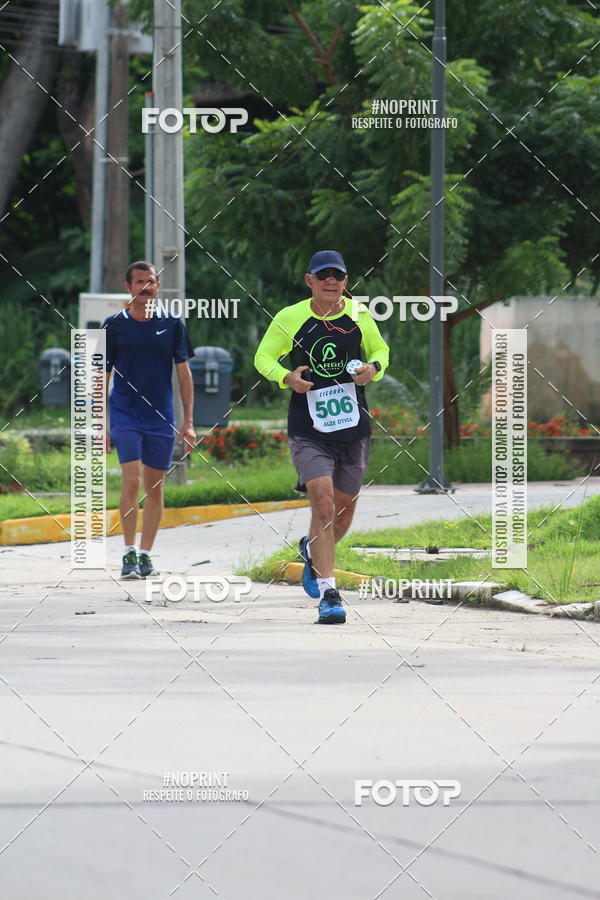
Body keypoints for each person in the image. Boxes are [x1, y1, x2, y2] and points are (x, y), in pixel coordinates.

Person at [254, 250, 389, 624]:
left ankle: (310, 552)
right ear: (309, 280)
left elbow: (380, 350)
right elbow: (263, 358)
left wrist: (373, 368)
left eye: (338, 275)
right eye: (323, 275)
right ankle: (330, 595)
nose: (331, 281)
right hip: (309, 430)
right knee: (324, 504)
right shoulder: (290, 317)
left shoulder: (359, 314)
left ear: (346, 281)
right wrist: (286, 377)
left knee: (342, 515)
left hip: (353, 428)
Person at [103, 261, 196, 579]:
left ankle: (145, 555)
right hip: (125, 414)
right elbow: (102, 376)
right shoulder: (113, 325)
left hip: (160, 417)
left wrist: (189, 421)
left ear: (158, 286)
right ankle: (128, 553)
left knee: (155, 487)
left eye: (151, 281)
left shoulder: (172, 324)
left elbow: (183, 374)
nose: (146, 286)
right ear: (128, 287)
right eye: (140, 281)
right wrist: (100, 423)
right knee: (131, 481)